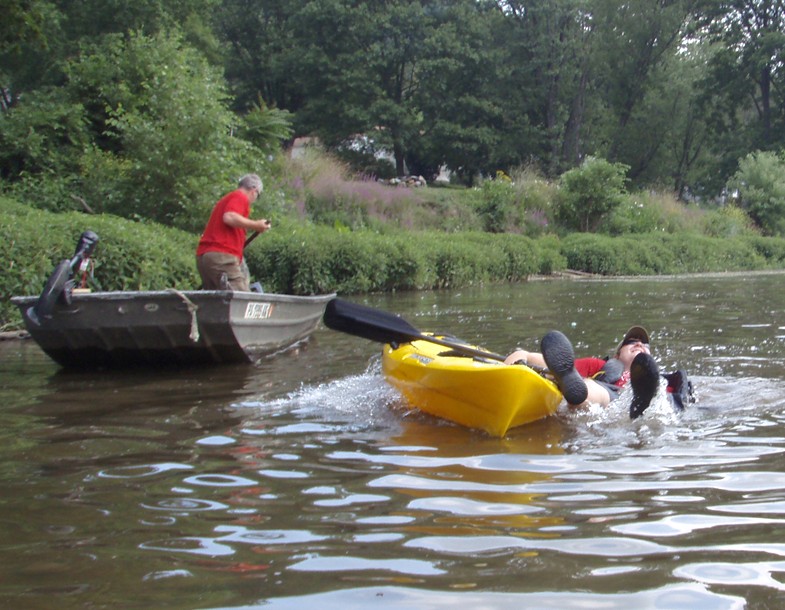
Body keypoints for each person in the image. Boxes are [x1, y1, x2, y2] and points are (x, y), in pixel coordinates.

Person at [505, 327, 692, 419]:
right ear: (618, 354)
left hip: (650, 399)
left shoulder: (666, 381)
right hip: (606, 393)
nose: (638, 344)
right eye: (631, 342)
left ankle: (642, 402)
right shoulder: (602, 365)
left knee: (652, 393)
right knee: (591, 387)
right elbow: (546, 360)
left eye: (644, 344)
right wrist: (521, 357)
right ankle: (570, 387)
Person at [196, 173, 272, 291]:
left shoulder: (226, 200)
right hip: (222, 256)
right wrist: (256, 225)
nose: (255, 199)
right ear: (254, 190)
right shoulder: (239, 197)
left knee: (214, 304)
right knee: (242, 301)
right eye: (258, 195)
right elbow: (229, 217)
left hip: (205, 257)